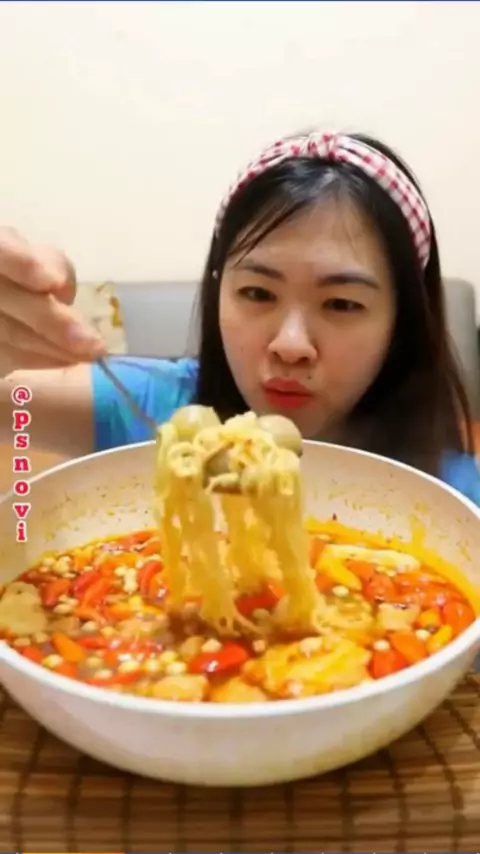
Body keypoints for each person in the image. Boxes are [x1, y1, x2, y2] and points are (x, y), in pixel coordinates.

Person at [1, 128, 479, 502]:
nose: (290, 345)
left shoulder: (452, 492)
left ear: (402, 321)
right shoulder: (154, 405)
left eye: (341, 303)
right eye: (257, 292)